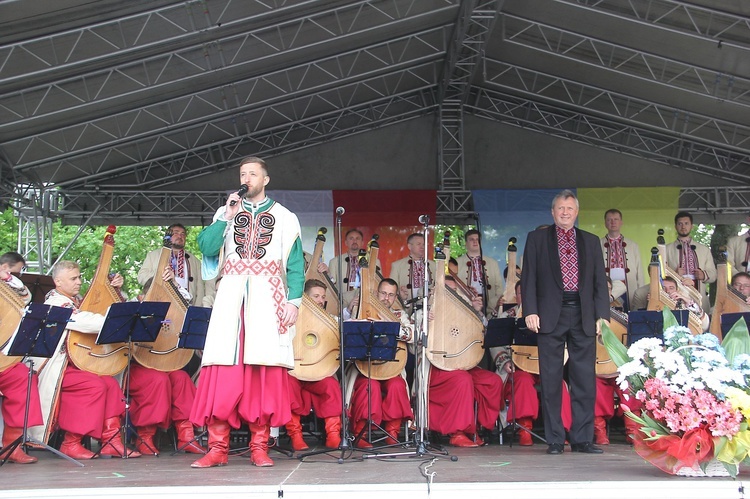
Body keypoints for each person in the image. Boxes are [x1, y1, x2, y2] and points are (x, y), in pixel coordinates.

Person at [189, 156, 305, 468]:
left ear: (265, 179)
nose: (247, 178)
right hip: (230, 298)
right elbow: (207, 247)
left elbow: (295, 265)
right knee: (223, 370)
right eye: (243, 173)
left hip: (268, 298)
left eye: (253, 174)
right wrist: (227, 216)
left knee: (263, 371)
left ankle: (259, 447)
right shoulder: (226, 212)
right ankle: (217, 448)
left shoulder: (285, 217)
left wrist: (294, 303)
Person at [521, 189, 610, 455]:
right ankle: (556, 439)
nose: (565, 212)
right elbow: (529, 278)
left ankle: (582, 439)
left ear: (576, 212)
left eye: (570, 209)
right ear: (552, 212)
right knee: (551, 379)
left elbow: (599, 283)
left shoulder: (591, 241)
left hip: (583, 313)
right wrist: (530, 310)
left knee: (584, 379)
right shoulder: (537, 239)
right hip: (549, 314)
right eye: (561, 208)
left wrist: (602, 316)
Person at [37, 260, 141, 459]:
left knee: (110, 383)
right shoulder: (56, 302)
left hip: (77, 366)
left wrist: (116, 291)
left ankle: (111, 440)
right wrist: (118, 322)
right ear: (58, 281)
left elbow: (100, 305)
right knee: (94, 385)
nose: (78, 282)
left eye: (79, 277)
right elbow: (85, 320)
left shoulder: (77, 299)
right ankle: (71, 442)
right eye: (73, 278)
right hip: (59, 370)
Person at [126, 277, 206, 456]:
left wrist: (175, 285)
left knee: (181, 378)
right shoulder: (134, 310)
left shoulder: (172, 315)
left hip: (164, 366)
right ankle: (145, 436)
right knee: (157, 380)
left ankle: (186, 436)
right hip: (135, 368)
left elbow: (185, 301)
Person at [489, 281, 573, 447]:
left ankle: (560, 431)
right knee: (523, 381)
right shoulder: (507, 316)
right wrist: (505, 361)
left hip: (545, 367)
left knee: (559, 384)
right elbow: (495, 343)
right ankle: (524, 429)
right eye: (522, 293)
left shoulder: (552, 316)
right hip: (518, 367)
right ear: (516, 296)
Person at [428, 276, 503, 447]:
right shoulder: (428, 310)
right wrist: (426, 319)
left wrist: (476, 312)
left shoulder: (464, 311)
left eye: (454, 291)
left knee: (493, 381)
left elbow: (485, 335)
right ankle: (458, 432)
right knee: (463, 380)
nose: (451, 294)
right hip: (438, 367)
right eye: (446, 290)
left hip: (464, 364)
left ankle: (478, 427)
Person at [348, 278, 414, 449]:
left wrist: (391, 324)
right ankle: (360, 432)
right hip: (365, 369)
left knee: (397, 386)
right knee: (369, 387)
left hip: (392, 369)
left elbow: (412, 336)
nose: (386, 298)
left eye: (391, 295)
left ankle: (392, 433)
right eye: (383, 293)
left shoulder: (400, 315)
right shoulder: (363, 310)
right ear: (377, 293)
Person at [285, 279, 343, 451]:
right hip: (295, 372)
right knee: (287, 386)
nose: (320, 300)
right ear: (304, 298)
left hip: (319, 373)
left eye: (323, 297)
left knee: (331, 386)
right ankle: (295, 435)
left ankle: (333, 435)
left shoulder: (331, 320)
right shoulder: (291, 318)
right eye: (315, 296)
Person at [0, 251, 43, 464]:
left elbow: (26, 297)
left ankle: (12, 446)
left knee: (23, 376)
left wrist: (7, 279)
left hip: (4, 361)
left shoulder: (6, 285)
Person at [138, 223, 213, 307]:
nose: (180, 236)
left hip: (186, 303)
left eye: (183, 234)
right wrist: (161, 276)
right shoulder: (153, 255)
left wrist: (197, 308)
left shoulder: (194, 261)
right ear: (168, 235)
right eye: (176, 233)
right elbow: (141, 277)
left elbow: (199, 289)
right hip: (159, 301)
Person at [665, 212, 716, 312]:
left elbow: (713, 275)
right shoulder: (666, 249)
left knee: (701, 323)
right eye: (680, 224)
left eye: (686, 223)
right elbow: (659, 273)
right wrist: (674, 274)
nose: (683, 227)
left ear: (691, 226)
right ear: (675, 226)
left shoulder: (704, 249)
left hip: (699, 293)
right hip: (675, 295)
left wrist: (703, 275)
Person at [600, 209, 644, 309]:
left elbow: (639, 271)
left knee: (631, 313)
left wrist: (640, 292)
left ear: (621, 222)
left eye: (616, 219)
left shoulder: (633, 245)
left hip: (629, 286)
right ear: (605, 223)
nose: (613, 222)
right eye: (609, 220)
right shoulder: (598, 244)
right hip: (608, 288)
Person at [455, 230, 503, 316]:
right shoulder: (457, 263)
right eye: (471, 239)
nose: (475, 241)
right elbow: (455, 287)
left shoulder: (492, 262)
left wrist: (494, 304)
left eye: (477, 239)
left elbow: (499, 286)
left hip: (490, 302)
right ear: (466, 243)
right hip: (467, 302)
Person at [390, 233, 435, 317]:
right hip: (406, 309)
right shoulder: (397, 265)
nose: (422, 247)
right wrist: (401, 295)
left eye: (424, 244)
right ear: (409, 246)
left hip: (429, 311)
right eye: (419, 244)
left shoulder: (433, 265)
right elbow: (391, 290)